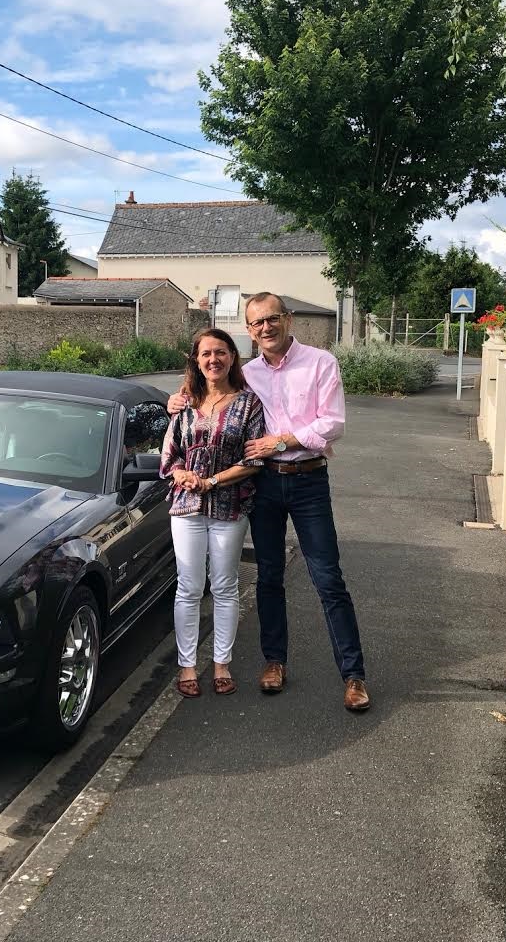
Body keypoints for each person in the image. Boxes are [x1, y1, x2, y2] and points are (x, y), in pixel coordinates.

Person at [168, 293, 369, 711]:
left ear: (287, 319)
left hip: (309, 479)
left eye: (272, 319)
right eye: (256, 323)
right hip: (265, 486)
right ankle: (274, 662)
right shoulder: (249, 373)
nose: (265, 328)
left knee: (327, 578)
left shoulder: (320, 363)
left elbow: (332, 424)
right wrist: (177, 399)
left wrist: (282, 440)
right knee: (269, 577)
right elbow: (207, 386)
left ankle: (353, 676)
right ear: (249, 329)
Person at [159, 328, 266, 698]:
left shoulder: (248, 404)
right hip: (186, 507)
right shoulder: (184, 403)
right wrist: (181, 474)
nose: (213, 360)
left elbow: (253, 460)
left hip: (229, 506)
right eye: (205, 354)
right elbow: (169, 455)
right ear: (196, 360)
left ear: (233, 357)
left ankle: (222, 663)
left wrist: (212, 481)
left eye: (220, 352)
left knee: (224, 585)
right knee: (188, 587)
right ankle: (187, 665)